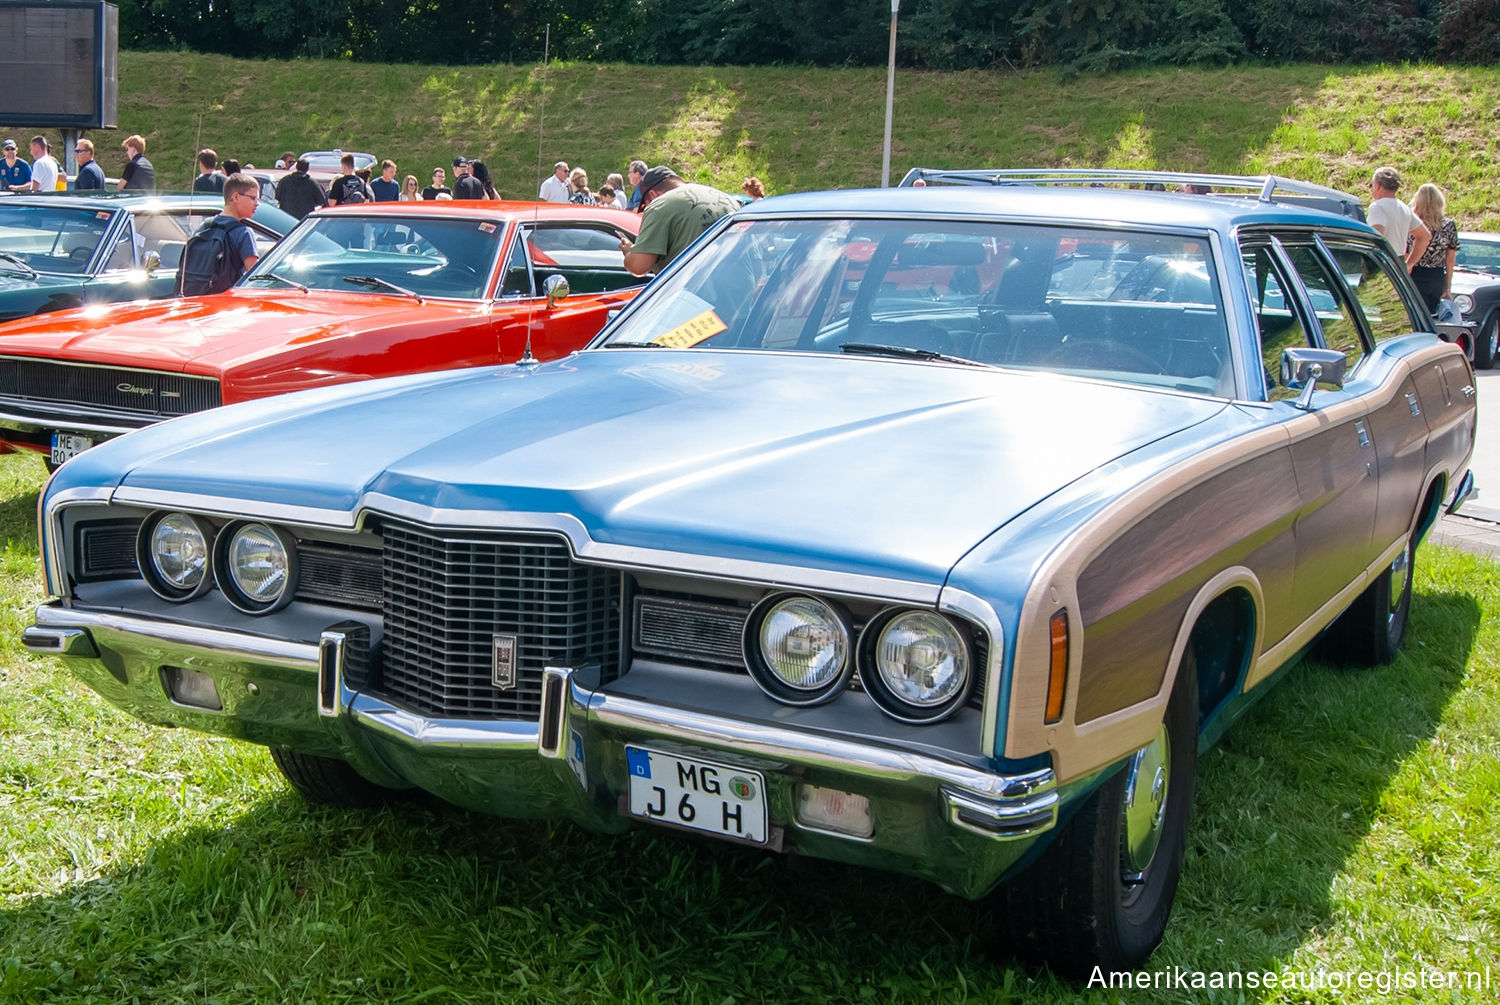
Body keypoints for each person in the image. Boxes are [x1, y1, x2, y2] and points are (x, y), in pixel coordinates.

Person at [619, 166, 741, 276]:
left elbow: (639, 267)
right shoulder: (727, 199)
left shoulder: (660, 205)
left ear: (652, 194)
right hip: (742, 290)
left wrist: (629, 253)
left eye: (646, 204)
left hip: (696, 293)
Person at [180, 173, 260, 295]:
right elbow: (255, 278)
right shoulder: (243, 232)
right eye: (253, 198)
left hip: (197, 299)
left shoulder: (205, 226)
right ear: (236, 197)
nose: (257, 203)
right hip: (227, 304)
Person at [1409, 182, 1459, 314]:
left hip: (1415, 275)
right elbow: (1450, 259)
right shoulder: (1448, 225)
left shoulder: (1413, 224)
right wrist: (1447, 288)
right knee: (1432, 318)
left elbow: (1406, 252)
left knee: (1416, 319)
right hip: (1437, 277)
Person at [1367, 166, 1429, 272]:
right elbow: (1425, 235)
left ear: (1377, 185)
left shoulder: (1377, 207)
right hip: (1399, 263)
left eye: (1371, 185)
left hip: (1380, 263)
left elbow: (1376, 237)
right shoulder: (1403, 207)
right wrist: (1409, 264)